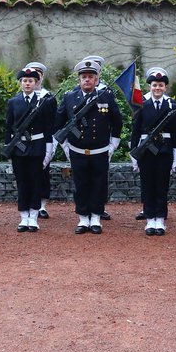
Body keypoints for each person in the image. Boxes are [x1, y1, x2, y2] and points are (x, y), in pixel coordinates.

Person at [56, 59, 122, 234]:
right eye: (84, 77)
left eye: (91, 77)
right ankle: (83, 218)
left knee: (99, 184)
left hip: (100, 151)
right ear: (79, 79)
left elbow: (117, 122)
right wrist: (65, 147)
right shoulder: (70, 97)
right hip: (77, 151)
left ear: (96, 79)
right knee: (81, 185)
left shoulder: (106, 96)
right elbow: (58, 123)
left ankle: (96, 218)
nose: (87, 80)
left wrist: (112, 146)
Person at [4, 66, 56, 232]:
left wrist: (48, 148)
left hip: (36, 147)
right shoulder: (13, 102)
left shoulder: (44, 102)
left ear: (36, 83)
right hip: (19, 148)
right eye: (25, 81)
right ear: (20, 83)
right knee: (22, 183)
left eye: (31, 81)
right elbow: (8, 128)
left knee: (35, 182)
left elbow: (48, 128)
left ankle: (33, 217)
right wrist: (9, 149)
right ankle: (23, 217)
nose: (27, 84)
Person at [130, 67, 176, 236]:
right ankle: (150, 218)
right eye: (154, 85)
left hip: (165, 151)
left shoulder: (171, 105)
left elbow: (175, 134)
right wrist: (133, 155)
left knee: (161, 185)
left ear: (165, 87)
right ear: (149, 86)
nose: (157, 88)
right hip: (146, 151)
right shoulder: (141, 104)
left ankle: (160, 218)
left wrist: (175, 159)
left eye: (160, 85)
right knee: (147, 185)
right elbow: (135, 131)